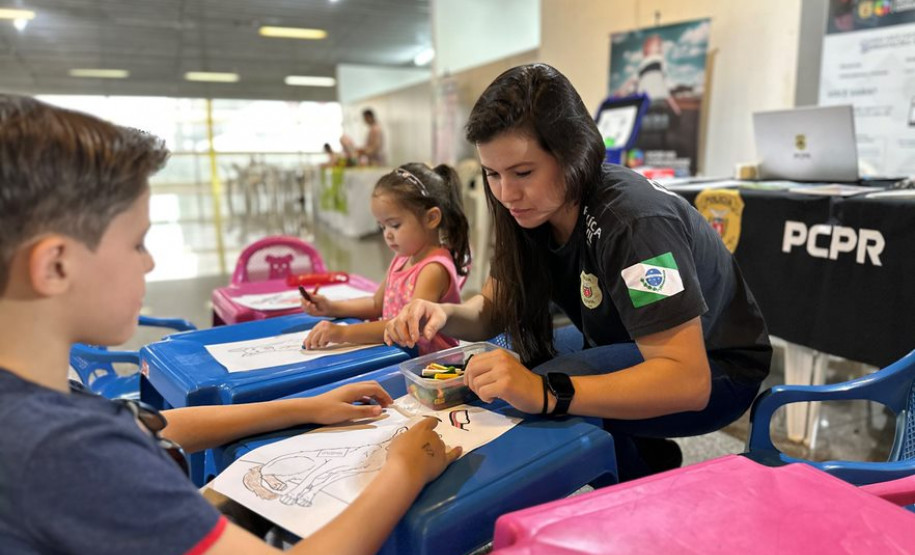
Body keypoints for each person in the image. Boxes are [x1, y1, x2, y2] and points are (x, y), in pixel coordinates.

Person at [0, 95, 460, 555]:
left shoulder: (37, 401)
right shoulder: (67, 454)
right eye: (137, 243)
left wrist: (307, 407)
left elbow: (154, 426)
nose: (150, 261)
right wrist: (403, 471)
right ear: (55, 266)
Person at [383, 64, 772, 482]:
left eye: (523, 172)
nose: (506, 193)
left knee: (538, 387)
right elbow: (494, 310)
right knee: (499, 354)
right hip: (631, 341)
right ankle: (645, 458)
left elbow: (687, 381)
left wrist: (548, 394)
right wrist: (443, 314)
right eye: (492, 174)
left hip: (716, 368)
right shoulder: (528, 208)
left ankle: (629, 488)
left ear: (573, 153)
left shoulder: (632, 222)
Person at [302, 163, 470, 355]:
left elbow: (405, 327)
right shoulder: (402, 258)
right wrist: (331, 307)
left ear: (431, 218)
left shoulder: (433, 269)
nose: (387, 235)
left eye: (395, 225)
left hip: (431, 369)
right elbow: (376, 304)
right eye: (382, 227)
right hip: (399, 354)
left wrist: (342, 333)